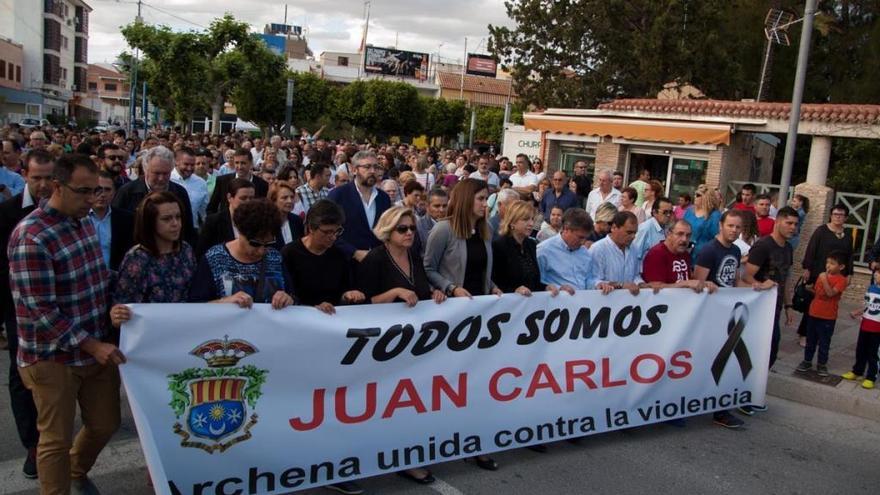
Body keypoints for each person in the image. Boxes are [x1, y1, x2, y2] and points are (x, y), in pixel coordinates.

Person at [9, 153, 126, 494]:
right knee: (54, 440)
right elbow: (41, 310)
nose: (92, 200)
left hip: (93, 346)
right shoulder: (31, 236)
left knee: (105, 423)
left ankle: (77, 470)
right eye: (84, 192)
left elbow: (97, 277)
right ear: (57, 187)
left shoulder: (84, 221)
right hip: (51, 355)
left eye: (96, 191)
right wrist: (93, 345)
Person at [0, 148, 54, 479]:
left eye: (50, 177)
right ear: (25, 175)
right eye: (38, 178)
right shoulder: (7, 214)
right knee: (22, 376)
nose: (44, 184)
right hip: (17, 308)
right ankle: (32, 444)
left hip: (55, 306)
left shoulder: (66, 213)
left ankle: (52, 434)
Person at [740, 207, 800, 415]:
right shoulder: (763, 245)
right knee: (759, 352)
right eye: (789, 223)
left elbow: (786, 277)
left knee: (771, 352)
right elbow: (746, 276)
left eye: (795, 224)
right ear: (778, 221)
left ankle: (751, 393)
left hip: (775, 309)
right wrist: (762, 283)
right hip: (758, 310)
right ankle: (744, 395)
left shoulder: (788, 248)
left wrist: (789, 306)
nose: (793, 227)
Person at [693, 209, 749, 429]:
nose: (734, 231)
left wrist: (759, 288)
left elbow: (735, 281)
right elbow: (698, 283)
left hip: (728, 315)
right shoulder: (709, 250)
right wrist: (706, 286)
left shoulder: (735, 251)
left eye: (738, 227)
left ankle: (720, 409)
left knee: (725, 362)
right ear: (721, 226)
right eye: (730, 226)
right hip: (710, 316)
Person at [189, 198, 295, 308]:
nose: (261, 251)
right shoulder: (215, 258)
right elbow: (196, 306)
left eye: (268, 244)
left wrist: (288, 299)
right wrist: (225, 302)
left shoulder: (275, 258)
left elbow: (292, 295)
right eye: (255, 244)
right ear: (240, 232)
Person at [424, 178, 502, 300]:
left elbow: (481, 269)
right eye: (480, 198)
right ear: (466, 199)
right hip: (453, 306)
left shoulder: (487, 229)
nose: (486, 204)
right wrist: (451, 288)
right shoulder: (443, 229)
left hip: (481, 303)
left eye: (486, 199)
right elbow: (428, 269)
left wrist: (492, 287)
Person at [114, 191, 196, 305]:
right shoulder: (137, 258)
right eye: (166, 219)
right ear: (150, 222)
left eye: (178, 217)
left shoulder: (186, 250)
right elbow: (125, 303)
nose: (175, 223)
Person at [282, 200, 364, 312]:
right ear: (311, 228)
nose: (333, 237)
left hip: (333, 317)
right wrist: (314, 309)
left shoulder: (339, 254)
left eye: (337, 231)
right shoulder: (290, 253)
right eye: (327, 232)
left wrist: (348, 295)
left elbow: (343, 290)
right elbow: (288, 295)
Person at [113, 145, 196, 246]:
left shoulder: (179, 193)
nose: (161, 178)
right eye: (156, 173)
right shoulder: (127, 192)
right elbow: (116, 228)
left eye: (165, 173)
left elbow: (187, 229)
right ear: (145, 170)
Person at [797, 204, 855, 346]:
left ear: (846, 218)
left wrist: (849, 274)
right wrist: (807, 268)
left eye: (841, 215)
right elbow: (811, 249)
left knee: (829, 305)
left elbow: (849, 256)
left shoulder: (847, 235)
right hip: (818, 273)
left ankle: (819, 334)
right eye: (835, 214)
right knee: (812, 304)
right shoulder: (821, 231)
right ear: (830, 215)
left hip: (836, 277)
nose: (838, 217)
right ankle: (804, 334)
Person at [327, 150, 391, 262]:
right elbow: (328, 231)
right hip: (345, 262)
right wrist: (354, 252)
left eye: (376, 167)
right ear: (354, 170)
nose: (372, 171)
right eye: (367, 167)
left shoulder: (384, 198)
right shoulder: (338, 195)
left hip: (376, 263)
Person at [796, 251, 848, 377]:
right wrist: (808, 288)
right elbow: (818, 292)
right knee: (811, 340)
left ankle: (822, 364)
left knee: (824, 342)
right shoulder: (821, 276)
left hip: (828, 316)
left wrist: (824, 280)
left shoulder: (841, 280)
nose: (828, 266)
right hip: (814, 312)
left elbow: (831, 294)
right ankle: (807, 361)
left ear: (841, 267)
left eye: (832, 264)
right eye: (827, 263)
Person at [536, 207, 609, 293]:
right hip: (556, 303)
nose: (583, 242)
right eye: (580, 237)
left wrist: (598, 284)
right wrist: (559, 288)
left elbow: (588, 279)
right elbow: (538, 284)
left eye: (585, 238)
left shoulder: (585, 253)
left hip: (582, 303)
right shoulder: (544, 251)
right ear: (566, 229)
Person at [492, 201, 545, 296]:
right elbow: (496, 283)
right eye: (525, 220)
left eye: (532, 219)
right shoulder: (499, 245)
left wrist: (547, 287)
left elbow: (534, 281)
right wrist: (514, 291)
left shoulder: (531, 244)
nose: (531, 223)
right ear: (512, 222)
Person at [88, 170, 134, 271]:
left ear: (114, 193)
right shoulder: (79, 218)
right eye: (98, 189)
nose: (102, 194)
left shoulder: (126, 219)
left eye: (107, 190)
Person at [196, 178, 255, 259]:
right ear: (229, 197)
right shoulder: (214, 222)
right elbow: (201, 253)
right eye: (243, 198)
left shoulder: (257, 221)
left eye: (251, 198)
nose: (248, 202)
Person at [841, 269, 880, 390]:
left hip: (877, 328)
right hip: (865, 324)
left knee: (873, 353)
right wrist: (857, 312)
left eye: (879, 274)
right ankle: (857, 371)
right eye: (875, 274)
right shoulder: (871, 288)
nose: (876, 275)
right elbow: (867, 305)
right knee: (860, 349)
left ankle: (871, 377)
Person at [590, 211, 643, 294]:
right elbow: (592, 281)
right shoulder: (598, 249)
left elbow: (635, 276)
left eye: (635, 233)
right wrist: (620, 285)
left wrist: (641, 284)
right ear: (614, 228)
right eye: (629, 232)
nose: (633, 237)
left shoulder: (634, 248)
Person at [207, 148, 269, 214]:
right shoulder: (222, 181)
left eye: (243, 163)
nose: (239, 167)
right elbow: (212, 208)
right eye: (237, 163)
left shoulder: (262, 184)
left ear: (250, 163)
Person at [171, 147, 209, 230]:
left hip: (192, 230)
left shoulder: (201, 183)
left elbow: (204, 212)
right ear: (176, 162)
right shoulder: (168, 179)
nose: (189, 168)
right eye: (186, 164)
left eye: (192, 165)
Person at [684, 184, 722, 260]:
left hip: (703, 255)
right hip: (685, 250)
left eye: (698, 195)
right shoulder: (689, 210)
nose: (694, 197)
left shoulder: (715, 215)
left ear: (706, 197)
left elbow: (717, 237)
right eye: (694, 194)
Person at [631, 197, 673, 265]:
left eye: (670, 212)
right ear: (654, 212)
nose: (668, 215)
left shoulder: (668, 228)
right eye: (665, 212)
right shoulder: (645, 229)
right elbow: (634, 255)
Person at [269, 180, 305, 250]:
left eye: (292, 197)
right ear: (274, 200)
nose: (290, 201)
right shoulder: (267, 223)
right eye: (284, 198)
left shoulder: (297, 221)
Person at [416, 188, 448, 256]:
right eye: (437, 206)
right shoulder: (418, 226)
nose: (441, 210)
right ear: (427, 206)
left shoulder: (453, 225)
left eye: (444, 206)